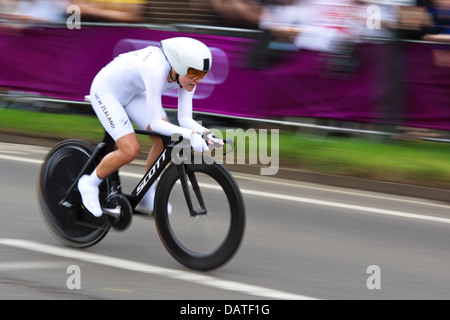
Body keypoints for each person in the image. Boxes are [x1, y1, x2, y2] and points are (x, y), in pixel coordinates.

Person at [78, 37, 222, 217]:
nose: (198, 80)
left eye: (202, 74)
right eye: (194, 74)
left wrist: (205, 133)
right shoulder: (155, 68)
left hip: (133, 93)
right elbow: (156, 123)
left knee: (164, 140)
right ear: (177, 66)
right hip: (107, 91)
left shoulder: (186, 76)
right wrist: (191, 135)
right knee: (130, 150)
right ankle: (89, 183)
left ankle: (147, 194)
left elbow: (184, 118)